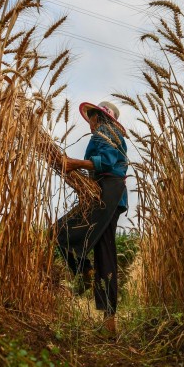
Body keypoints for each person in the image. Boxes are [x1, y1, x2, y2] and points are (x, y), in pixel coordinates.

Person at [55, 100, 129, 336]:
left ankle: (85, 270)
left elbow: (106, 164)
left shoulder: (105, 132)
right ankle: (108, 320)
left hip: (109, 192)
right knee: (104, 248)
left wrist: (74, 163)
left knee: (60, 232)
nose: (89, 122)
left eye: (91, 117)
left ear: (100, 117)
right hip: (107, 194)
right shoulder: (110, 134)